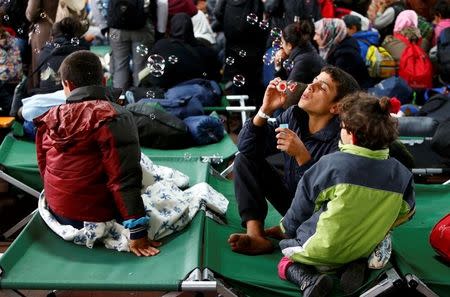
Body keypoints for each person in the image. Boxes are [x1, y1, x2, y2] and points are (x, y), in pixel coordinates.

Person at [275, 92, 415, 297]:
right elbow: (407, 212)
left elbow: (301, 207)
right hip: (362, 248)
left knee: (285, 260)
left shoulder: (331, 165)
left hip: (319, 249)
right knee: (358, 245)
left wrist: (286, 229)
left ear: (351, 134)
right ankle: (355, 265)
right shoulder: (401, 173)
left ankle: (308, 281)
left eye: (341, 127)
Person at [34, 50, 161, 257]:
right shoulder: (114, 115)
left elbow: (43, 167)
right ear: (104, 80)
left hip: (57, 214)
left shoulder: (48, 118)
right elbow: (124, 177)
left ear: (66, 85)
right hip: (97, 216)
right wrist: (137, 231)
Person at [228, 66, 360, 255]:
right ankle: (256, 235)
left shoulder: (342, 139)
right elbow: (247, 148)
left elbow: (329, 198)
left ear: (336, 107)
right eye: (314, 79)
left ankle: (291, 232)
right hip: (292, 201)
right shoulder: (293, 116)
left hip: (319, 215)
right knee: (244, 159)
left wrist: (302, 156)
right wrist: (265, 110)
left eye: (322, 87)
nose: (310, 86)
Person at [140, 12, 221, 89]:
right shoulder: (205, 49)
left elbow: (152, 72)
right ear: (191, 28)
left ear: (172, 27)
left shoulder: (161, 45)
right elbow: (215, 77)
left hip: (167, 93)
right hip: (198, 92)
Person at [314, 18, 370, 89]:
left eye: (318, 34)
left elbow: (339, 85)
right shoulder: (337, 46)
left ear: (329, 34)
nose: (314, 38)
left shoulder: (346, 55)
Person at [37, 17, 89, 92]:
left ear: (53, 35)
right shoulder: (82, 52)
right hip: (73, 95)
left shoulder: (44, 51)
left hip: (46, 94)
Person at [274, 20, 325, 84]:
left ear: (289, 45)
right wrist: (279, 65)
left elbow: (288, 91)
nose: (281, 46)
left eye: (283, 43)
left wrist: (277, 66)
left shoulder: (303, 61)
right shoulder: (307, 50)